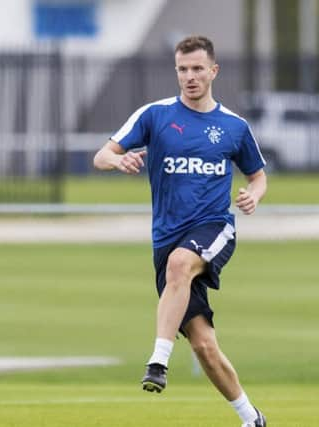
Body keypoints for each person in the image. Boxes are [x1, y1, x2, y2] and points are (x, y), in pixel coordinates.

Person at [93, 36, 267, 427]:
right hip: (166, 239)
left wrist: (253, 195)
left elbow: (258, 176)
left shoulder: (234, 127)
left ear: (213, 71)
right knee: (205, 346)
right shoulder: (155, 115)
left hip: (214, 228)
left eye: (197, 69)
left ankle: (157, 361)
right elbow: (102, 153)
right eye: (183, 69)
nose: (189, 76)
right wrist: (117, 163)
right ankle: (252, 418)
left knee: (180, 263)